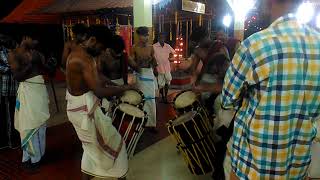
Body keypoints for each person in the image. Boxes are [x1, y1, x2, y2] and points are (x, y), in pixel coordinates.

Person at [221, 0, 320, 179]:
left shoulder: (256, 44)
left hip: (251, 168)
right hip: (297, 167)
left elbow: (227, 99)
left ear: (269, 2)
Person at [66, 25, 132, 180]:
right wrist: (124, 88)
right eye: (102, 48)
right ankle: (121, 176)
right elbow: (99, 91)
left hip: (81, 109)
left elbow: (98, 76)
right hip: (84, 112)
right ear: (93, 40)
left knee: (90, 150)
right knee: (117, 145)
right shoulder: (82, 59)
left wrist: (114, 85)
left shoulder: (84, 54)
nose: (102, 52)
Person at [8, 36, 50, 170]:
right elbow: (17, 76)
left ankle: (40, 154)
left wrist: (50, 65)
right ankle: (32, 158)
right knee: (28, 125)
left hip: (40, 91)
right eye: (33, 39)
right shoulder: (14, 54)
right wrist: (30, 64)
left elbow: (48, 71)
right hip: (28, 92)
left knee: (40, 125)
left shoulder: (37, 53)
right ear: (25, 38)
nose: (36, 41)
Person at [129, 26, 158, 132]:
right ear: (139, 36)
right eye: (144, 35)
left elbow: (154, 63)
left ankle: (152, 124)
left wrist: (155, 67)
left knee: (151, 100)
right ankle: (141, 123)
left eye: (147, 35)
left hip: (149, 74)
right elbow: (132, 62)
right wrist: (136, 63)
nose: (146, 37)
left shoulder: (151, 47)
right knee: (141, 99)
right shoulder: (134, 47)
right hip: (140, 75)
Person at [0, 34, 20, 149]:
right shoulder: (2, 52)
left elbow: (19, 65)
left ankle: (13, 140)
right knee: (4, 116)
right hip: (4, 89)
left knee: (14, 114)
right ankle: (4, 141)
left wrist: (12, 66)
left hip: (15, 88)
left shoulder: (14, 51)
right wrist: (12, 67)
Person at [153, 33, 175, 103]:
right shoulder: (154, 46)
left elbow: (173, 52)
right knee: (161, 84)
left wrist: (171, 57)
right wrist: (154, 68)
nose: (161, 39)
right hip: (159, 68)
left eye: (163, 37)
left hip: (167, 67)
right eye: (160, 37)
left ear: (164, 38)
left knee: (168, 82)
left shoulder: (167, 46)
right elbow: (152, 57)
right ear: (158, 38)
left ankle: (165, 96)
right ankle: (162, 96)